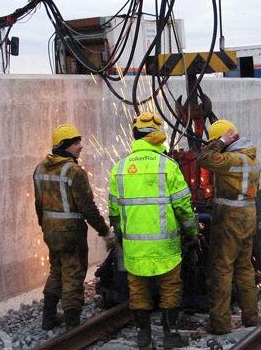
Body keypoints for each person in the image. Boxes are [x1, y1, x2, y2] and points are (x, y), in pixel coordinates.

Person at [108, 112, 198, 350]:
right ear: (158, 136)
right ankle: (170, 335)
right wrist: (192, 233)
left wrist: (120, 235)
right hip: (165, 246)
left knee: (137, 288)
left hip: (134, 247)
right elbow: (183, 207)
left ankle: (143, 335)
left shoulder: (119, 168)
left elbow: (114, 211)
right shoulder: (167, 166)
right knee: (170, 287)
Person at [34, 124, 116, 330]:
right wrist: (105, 232)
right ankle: (72, 325)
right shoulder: (74, 171)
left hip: (50, 231)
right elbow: (87, 207)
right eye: (75, 143)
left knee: (56, 270)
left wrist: (44, 226)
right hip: (71, 233)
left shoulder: (40, 168)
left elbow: (39, 204)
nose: (80, 146)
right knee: (73, 274)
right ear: (64, 146)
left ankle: (48, 317)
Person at [196, 119, 261, 334]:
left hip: (229, 219)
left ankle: (220, 324)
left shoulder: (232, 159)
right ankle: (251, 317)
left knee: (222, 269)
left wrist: (219, 142)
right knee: (244, 267)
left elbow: (203, 159)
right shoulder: (251, 159)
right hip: (248, 216)